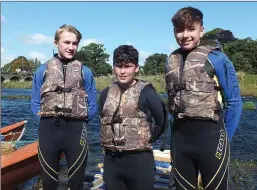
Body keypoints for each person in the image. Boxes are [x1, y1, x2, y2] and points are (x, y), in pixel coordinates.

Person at [165, 7, 243, 190]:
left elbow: (234, 102)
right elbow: (172, 103)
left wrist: (225, 139)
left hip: (211, 140)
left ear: (202, 29)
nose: (184, 35)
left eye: (190, 29)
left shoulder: (217, 58)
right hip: (180, 141)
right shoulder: (171, 60)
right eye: (179, 30)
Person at [31, 24, 98, 190]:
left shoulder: (86, 72)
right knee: (49, 181)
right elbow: (34, 103)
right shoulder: (42, 70)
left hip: (76, 130)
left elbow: (93, 105)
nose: (71, 47)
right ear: (56, 43)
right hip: (49, 129)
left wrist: (81, 121)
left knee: (76, 181)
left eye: (75, 43)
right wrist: (46, 120)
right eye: (66, 42)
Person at [98, 45, 167, 190]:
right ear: (114, 67)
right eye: (119, 66)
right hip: (112, 161)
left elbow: (162, 121)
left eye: (128, 66)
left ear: (136, 68)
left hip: (139, 162)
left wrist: (148, 139)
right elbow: (102, 118)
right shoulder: (106, 93)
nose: (123, 71)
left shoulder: (147, 93)